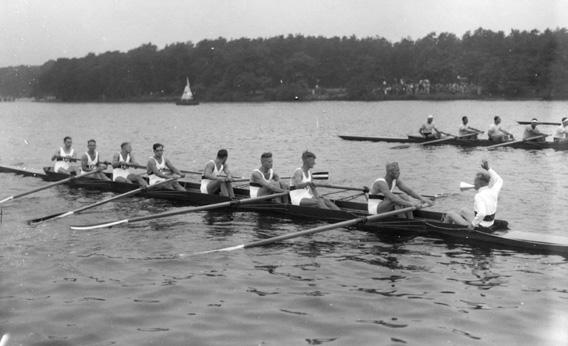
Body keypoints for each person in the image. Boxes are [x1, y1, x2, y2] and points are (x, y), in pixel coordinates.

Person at [443, 160, 502, 230]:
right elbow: (499, 180)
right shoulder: (494, 190)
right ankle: (457, 223)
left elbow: (482, 213)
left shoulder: (479, 196)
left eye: (474, 182)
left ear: (479, 183)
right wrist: (488, 169)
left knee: (450, 213)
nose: (473, 184)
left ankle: (444, 229)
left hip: (480, 227)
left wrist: (472, 224)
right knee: (463, 210)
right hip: (489, 223)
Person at [367, 162, 433, 218]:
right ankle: (404, 221)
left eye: (399, 170)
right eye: (397, 171)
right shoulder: (381, 183)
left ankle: (410, 219)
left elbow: (409, 191)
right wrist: (411, 204)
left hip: (384, 206)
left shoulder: (395, 181)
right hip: (374, 210)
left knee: (404, 196)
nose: (399, 172)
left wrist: (422, 199)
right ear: (390, 172)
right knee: (396, 200)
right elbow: (393, 198)